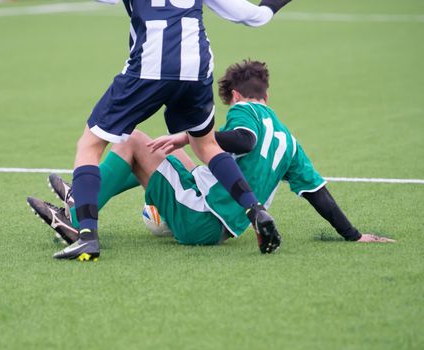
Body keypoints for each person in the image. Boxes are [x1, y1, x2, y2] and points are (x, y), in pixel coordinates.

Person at [27, 60, 394, 260]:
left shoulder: (244, 114)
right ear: (266, 93)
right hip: (218, 223)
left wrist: (190, 134)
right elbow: (319, 194)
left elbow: (243, 141)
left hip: (200, 218)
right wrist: (353, 235)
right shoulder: (289, 141)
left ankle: (76, 216)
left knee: (134, 139)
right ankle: (80, 197)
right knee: (167, 153)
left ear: (235, 95)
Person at [58, 0, 295, 260]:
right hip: (196, 67)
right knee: (206, 146)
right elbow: (254, 17)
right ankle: (255, 209)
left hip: (149, 66)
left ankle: (86, 236)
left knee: (90, 144)